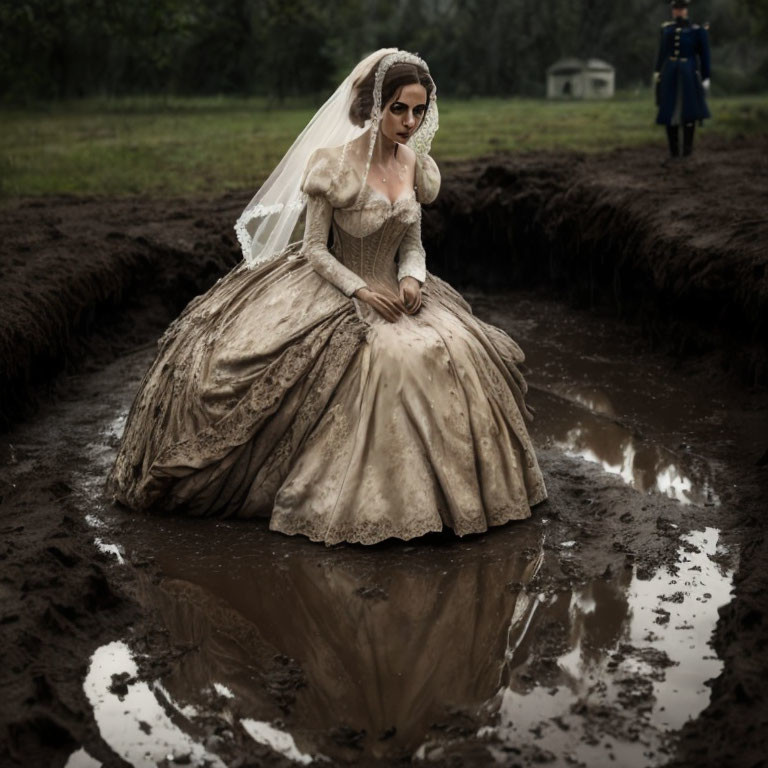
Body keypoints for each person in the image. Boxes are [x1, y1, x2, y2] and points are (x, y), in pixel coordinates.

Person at [105, 49, 547, 546]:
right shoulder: (332, 168)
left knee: (457, 349)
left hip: (398, 292)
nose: (409, 122)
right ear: (376, 105)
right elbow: (315, 250)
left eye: (419, 111)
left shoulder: (415, 167)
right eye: (399, 109)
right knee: (394, 358)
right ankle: (369, 503)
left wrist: (413, 280)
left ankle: (455, 501)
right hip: (336, 285)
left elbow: (414, 245)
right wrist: (359, 288)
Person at [654, 0, 711, 160]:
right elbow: (662, 53)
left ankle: (687, 152)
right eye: (676, 9)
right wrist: (658, 72)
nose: (678, 12)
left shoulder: (697, 31)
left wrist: (706, 76)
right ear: (673, 10)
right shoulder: (667, 29)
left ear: (686, 10)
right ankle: (673, 153)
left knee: (690, 112)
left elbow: (704, 55)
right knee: (668, 112)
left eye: (681, 8)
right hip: (670, 74)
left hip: (689, 74)